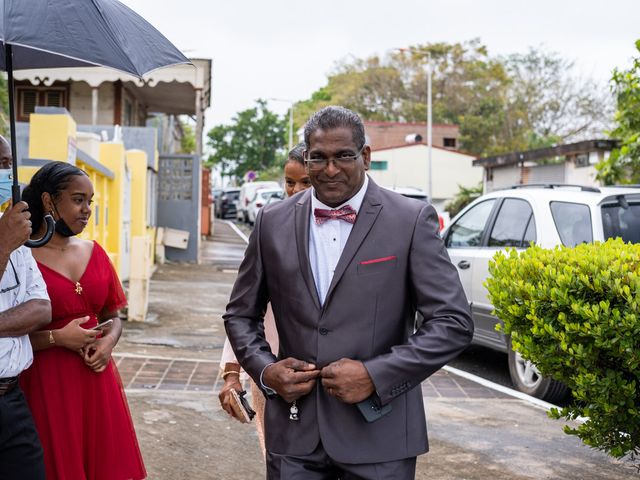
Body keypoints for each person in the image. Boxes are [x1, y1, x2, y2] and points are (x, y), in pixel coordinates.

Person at [224, 106, 474, 479]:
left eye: (343, 156)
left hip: (381, 435)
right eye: (318, 158)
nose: (330, 169)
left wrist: (375, 374)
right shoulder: (271, 222)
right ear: (305, 159)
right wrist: (265, 371)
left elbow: (452, 322)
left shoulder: (410, 220)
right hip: (294, 436)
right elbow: (240, 314)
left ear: (366, 156)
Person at [19, 161, 146, 480]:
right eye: (78, 200)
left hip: (96, 382)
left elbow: (113, 317)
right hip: (45, 384)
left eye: (90, 201)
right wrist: (57, 338)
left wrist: (108, 342)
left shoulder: (95, 251)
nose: (87, 209)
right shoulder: (20, 258)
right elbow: (6, 335)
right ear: (49, 201)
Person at [219, 143, 310, 454]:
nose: (295, 190)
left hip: (325, 375)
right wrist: (233, 374)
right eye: (289, 181)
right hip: (269, 370)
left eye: (305, 182)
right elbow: (244, 307)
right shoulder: (270, 226)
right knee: (277, 458)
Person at [0, 135, 51, 479]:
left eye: (8, 164)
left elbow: (41, 309)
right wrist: (2, 245)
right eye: (0, 164)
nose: (7, 174)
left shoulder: (17, 235)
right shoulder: (10, 236)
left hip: (11, 396)